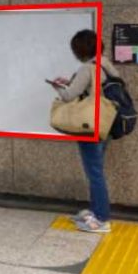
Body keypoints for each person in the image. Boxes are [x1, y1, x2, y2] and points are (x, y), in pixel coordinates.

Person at [49, 29, 119, 234]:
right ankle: (96, 211)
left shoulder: (87, 68)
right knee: (96, 170)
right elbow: (96, 89)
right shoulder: (105, 65)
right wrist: (71, 82)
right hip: (105, 124)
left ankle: (101, 219)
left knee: (94, 173)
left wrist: (57, 87)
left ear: (79, 50)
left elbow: (69, 96)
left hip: (90, 126)